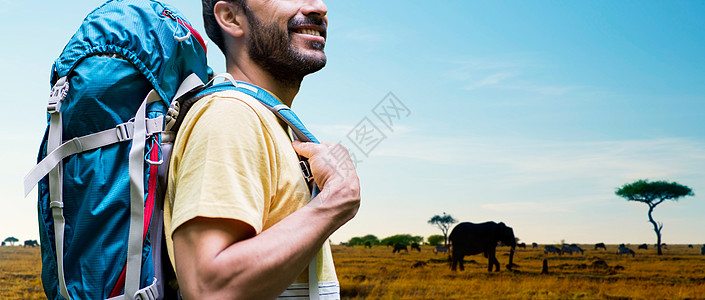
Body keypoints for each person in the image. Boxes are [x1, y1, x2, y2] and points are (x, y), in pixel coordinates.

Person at [163, 0, 360, 299]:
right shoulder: (231, 114)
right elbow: (208, 289)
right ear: (231, 18)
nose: (319, 7)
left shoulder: (267, 119)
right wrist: (334, 202)